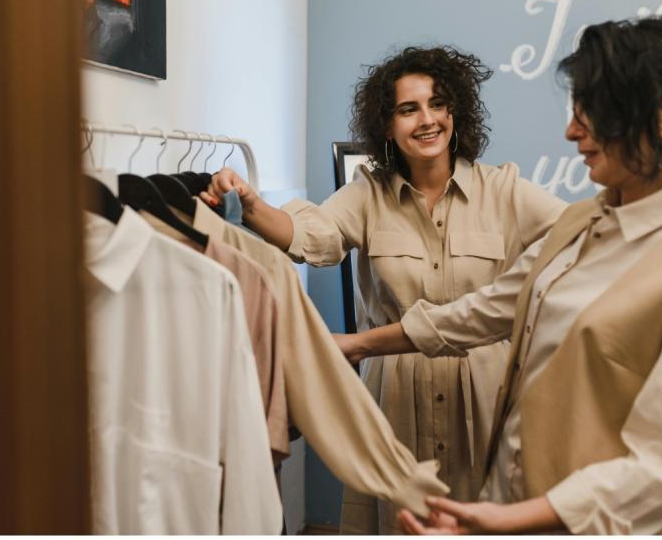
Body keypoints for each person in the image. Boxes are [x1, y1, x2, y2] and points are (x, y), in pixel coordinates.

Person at [335, 17, 662, 535]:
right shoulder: (583, 224)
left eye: (592, 110)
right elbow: (485, 310)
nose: (572, 131)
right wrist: (359, 345)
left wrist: (506, 521)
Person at [202, 46, 566, 533]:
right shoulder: (368, 195)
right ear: (387, 124)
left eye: (437, 104)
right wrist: (248, 204)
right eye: (408, 109)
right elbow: (311, 235)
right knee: (397, 521)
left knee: (481, 518)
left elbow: (575, 237)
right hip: (394, 397)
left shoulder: (504, 191)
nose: (427, 120)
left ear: (455, 111)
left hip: (484, 398)